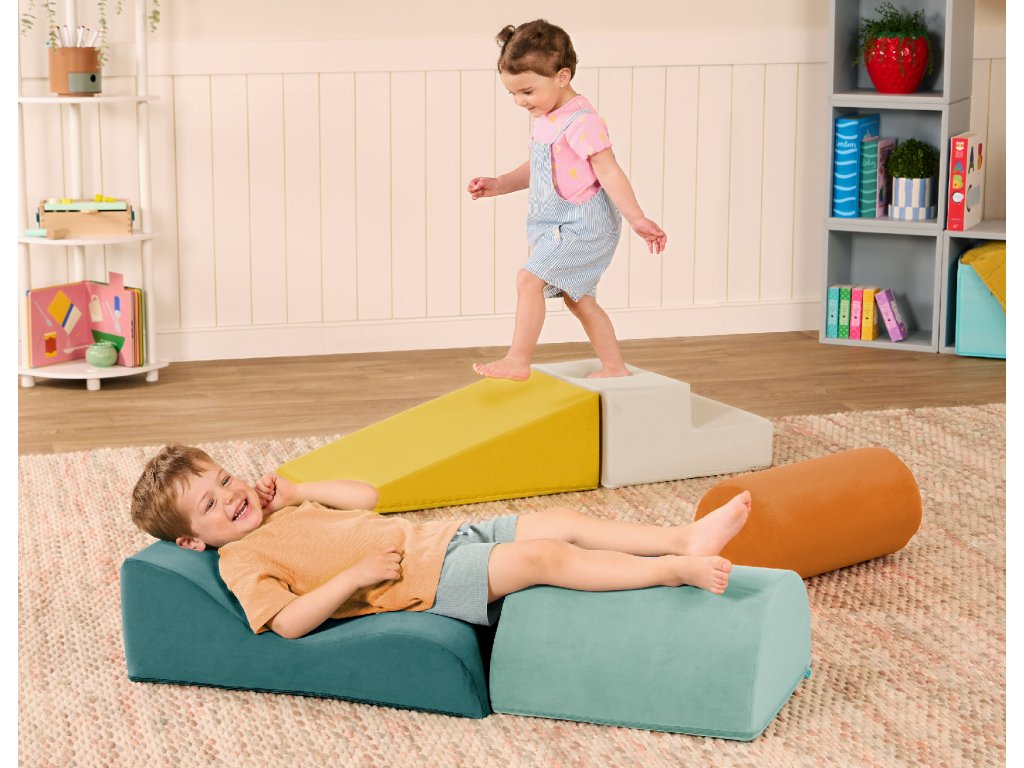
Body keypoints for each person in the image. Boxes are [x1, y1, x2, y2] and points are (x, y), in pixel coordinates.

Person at [131, 445, 750, 639]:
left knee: (562, 518)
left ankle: (682, 537)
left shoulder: (278, 506)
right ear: (191, 542)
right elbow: (287, 624)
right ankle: (671, 570)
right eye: (209, 505)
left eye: (224, 479)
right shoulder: (243, 558)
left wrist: (297, 490)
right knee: (546, 557)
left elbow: (366, 495)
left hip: (439, 538)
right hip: (423, 580)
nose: (231, 496)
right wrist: (353, 578)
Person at [467, 19, 667, 382]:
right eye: (513, 93)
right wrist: (501, 183)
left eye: (527, 91)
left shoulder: (582, 121)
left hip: (585, 223)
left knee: (529, 279)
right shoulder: (546, 116)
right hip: (557, 223)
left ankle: (517, 360)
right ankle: (614, 367)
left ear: (562, 76)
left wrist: (637, 218)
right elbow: (540, 166)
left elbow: (609, 171)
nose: (520, 101)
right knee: (580, 300)